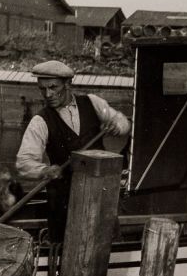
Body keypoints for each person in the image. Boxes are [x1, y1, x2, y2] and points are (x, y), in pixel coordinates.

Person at [16, 60, 131, 242]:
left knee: (106, 240)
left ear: (68, 84)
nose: (48, 94)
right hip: (64, 203)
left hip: (100, 194)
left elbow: (122, 121)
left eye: (53, 87)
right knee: (68, 246)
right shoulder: (40, 121)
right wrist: (44, 170)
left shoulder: (93, 103)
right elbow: (23, 163)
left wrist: (118, 126)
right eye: (42, 89)